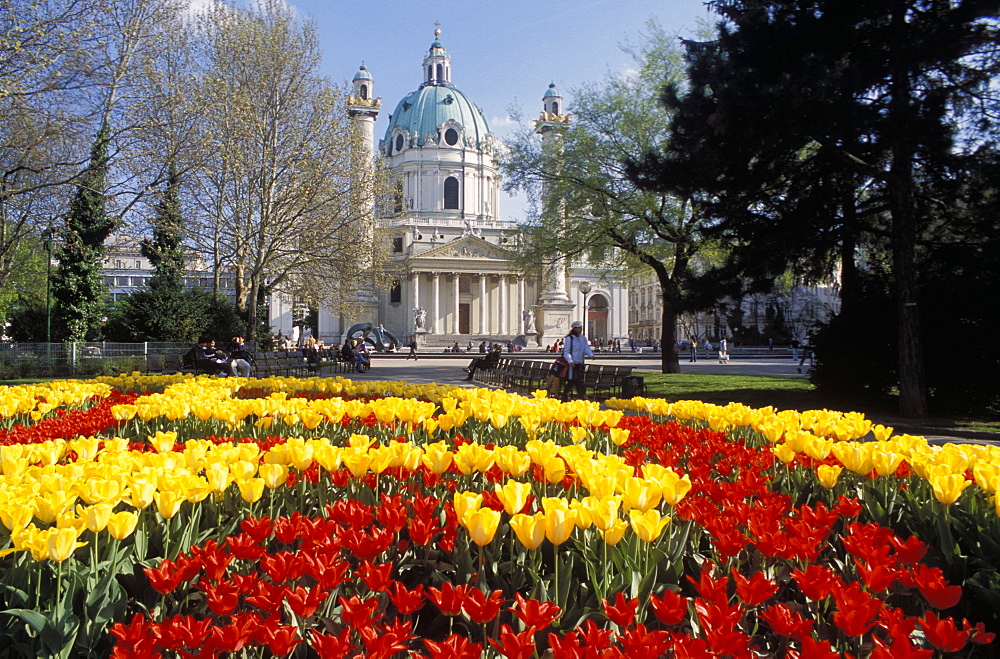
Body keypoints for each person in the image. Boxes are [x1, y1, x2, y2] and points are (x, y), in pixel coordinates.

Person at [561, 320, 595, 401]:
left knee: (576, 381)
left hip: (579, 363)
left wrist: (591, 355)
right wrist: (570, 361)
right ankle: (579, 397)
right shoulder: (570, 338)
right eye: (579, 328)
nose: (581, 329)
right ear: (575, 329)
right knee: (573, 381)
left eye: (581, 327)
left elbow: (586, 348)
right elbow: (566, 352)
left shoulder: (583, 338)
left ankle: (578, 397)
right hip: (572, 364)